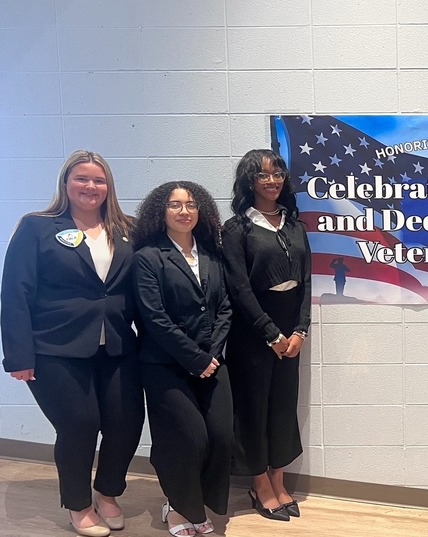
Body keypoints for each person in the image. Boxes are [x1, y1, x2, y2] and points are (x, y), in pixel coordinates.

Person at [0, 150, 143, 537]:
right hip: (54, 348)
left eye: (99, 180)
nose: (90, 186)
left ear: (108, 187)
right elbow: (16, 292)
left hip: (116, 346)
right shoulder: (37, 227)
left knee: (127, 424)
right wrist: (18, 355)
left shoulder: (126, 228)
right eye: (81, 178)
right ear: (65, 183)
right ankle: (78, 505)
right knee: (80, 424)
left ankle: (107, 493)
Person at [133, 181, 232, 537]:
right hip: (165, 366)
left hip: (211, 363)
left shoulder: (210, 254)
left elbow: (223, 308)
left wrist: (212, 355)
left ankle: (196, 503)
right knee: (189, 439)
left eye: (191, 204)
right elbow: (153, 317)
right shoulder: (147, 257)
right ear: (161, 211)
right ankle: (178, 509)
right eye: (175, 205)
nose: (184, 211)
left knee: (220, 437)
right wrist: (195, 358)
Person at [223, 149, 311, 521]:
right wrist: (271, 334)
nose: (272, 181)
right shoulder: (236, 229)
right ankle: (259, 483)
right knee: (254, 408)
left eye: (277, 174)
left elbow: (306, 282)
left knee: (282, 406)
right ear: (249, 181)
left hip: (291, 329)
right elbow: (238, 288)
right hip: (253, 330)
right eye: (263, 175)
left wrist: (300, 330)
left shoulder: (295, 224)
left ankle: (279, 477)